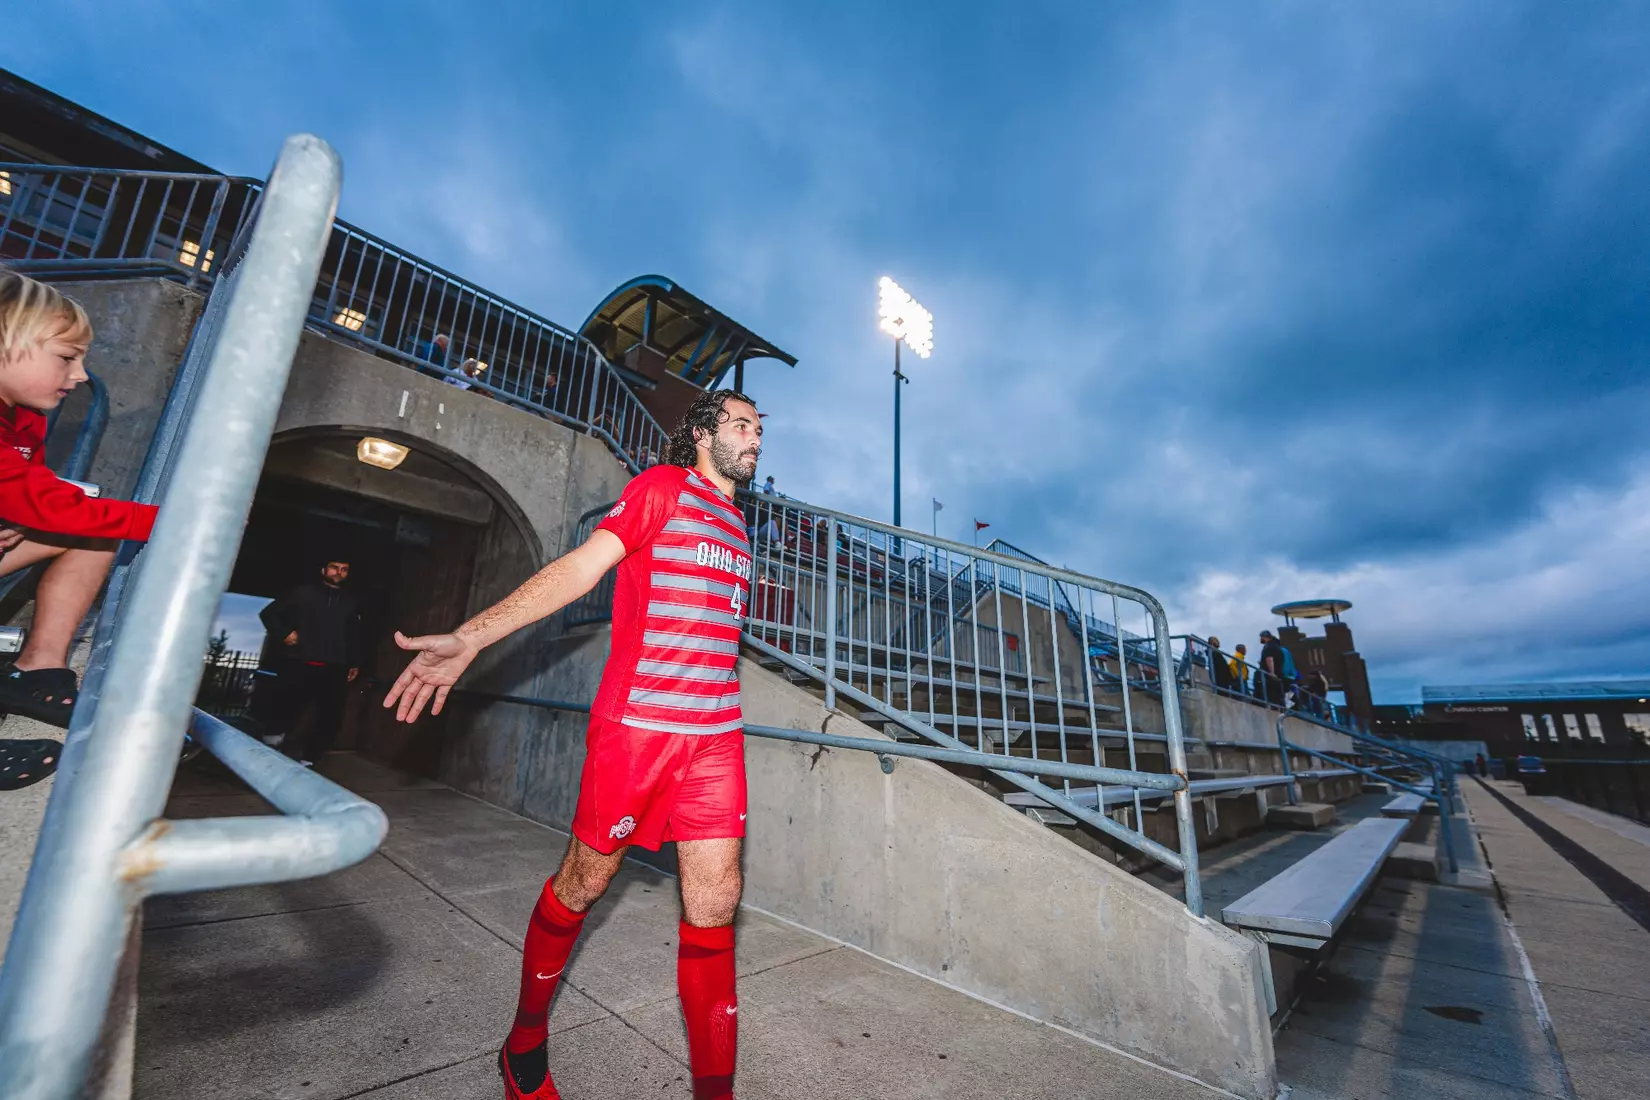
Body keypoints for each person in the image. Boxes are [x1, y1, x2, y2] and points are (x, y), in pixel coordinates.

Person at [384, 389, 762, 1100]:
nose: (755, 438)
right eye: (742, 424)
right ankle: (523, 1042)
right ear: (705, 432)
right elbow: (582, 569)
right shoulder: (660, 489)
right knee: (584, 882)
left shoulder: (740, 528)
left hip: (714, 737)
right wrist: (474, 633)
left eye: (759, 429)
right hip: (639, 730)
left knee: (718, 900)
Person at [0, 272, 158, 752]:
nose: (81, 375)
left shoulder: (23, 417)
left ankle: (38, 669)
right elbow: (43, 503)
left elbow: (38, 490)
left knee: (93, 532)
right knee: (80, 519)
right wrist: (171, 522)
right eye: (67, 358)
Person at [259, 558, 363, 766]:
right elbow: (268, 614)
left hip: (334, 667)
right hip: (299, 661)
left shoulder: (351, 602)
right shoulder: (303, 593)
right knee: (284, 707)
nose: (338, 572)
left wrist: (354, 662)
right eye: (334, 567)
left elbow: (354, 633)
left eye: (344, 570)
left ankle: (309, 761)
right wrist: (284, 633)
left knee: (330, 717)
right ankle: (267, 752)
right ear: (324, 570)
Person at [1256, 630, 1288, 706]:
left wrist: (1272, 673)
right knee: (1278, 694)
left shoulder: (1269, 647)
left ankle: (1273, 707)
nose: (1260, 639)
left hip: (1270, 676)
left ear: (1264, 637)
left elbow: (1269, 659)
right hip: (1279, 673)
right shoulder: (1277, 646)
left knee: (1271, 694)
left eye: (1261, 637)